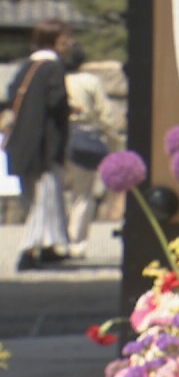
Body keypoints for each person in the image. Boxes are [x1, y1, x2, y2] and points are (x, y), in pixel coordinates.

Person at [5, 19, 74, 271]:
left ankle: (48, 247)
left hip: (22, 144)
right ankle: (28, 250)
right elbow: (56, 101)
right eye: (65, 37)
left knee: (35, 197)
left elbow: (11, 95)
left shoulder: (27, 67)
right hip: (44, 145)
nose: (70, 42)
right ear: (54, 40)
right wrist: (70, 109)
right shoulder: (53, 67)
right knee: (44, 199)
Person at [61, 41, 120, 258]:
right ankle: (76, 241)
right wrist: (114, 141)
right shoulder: (90, 81)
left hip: (59, 136)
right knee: (82, 193)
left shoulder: (57, 79)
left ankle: (57, 239)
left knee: (56, 191)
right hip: (84, 136)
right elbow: (105, 113)